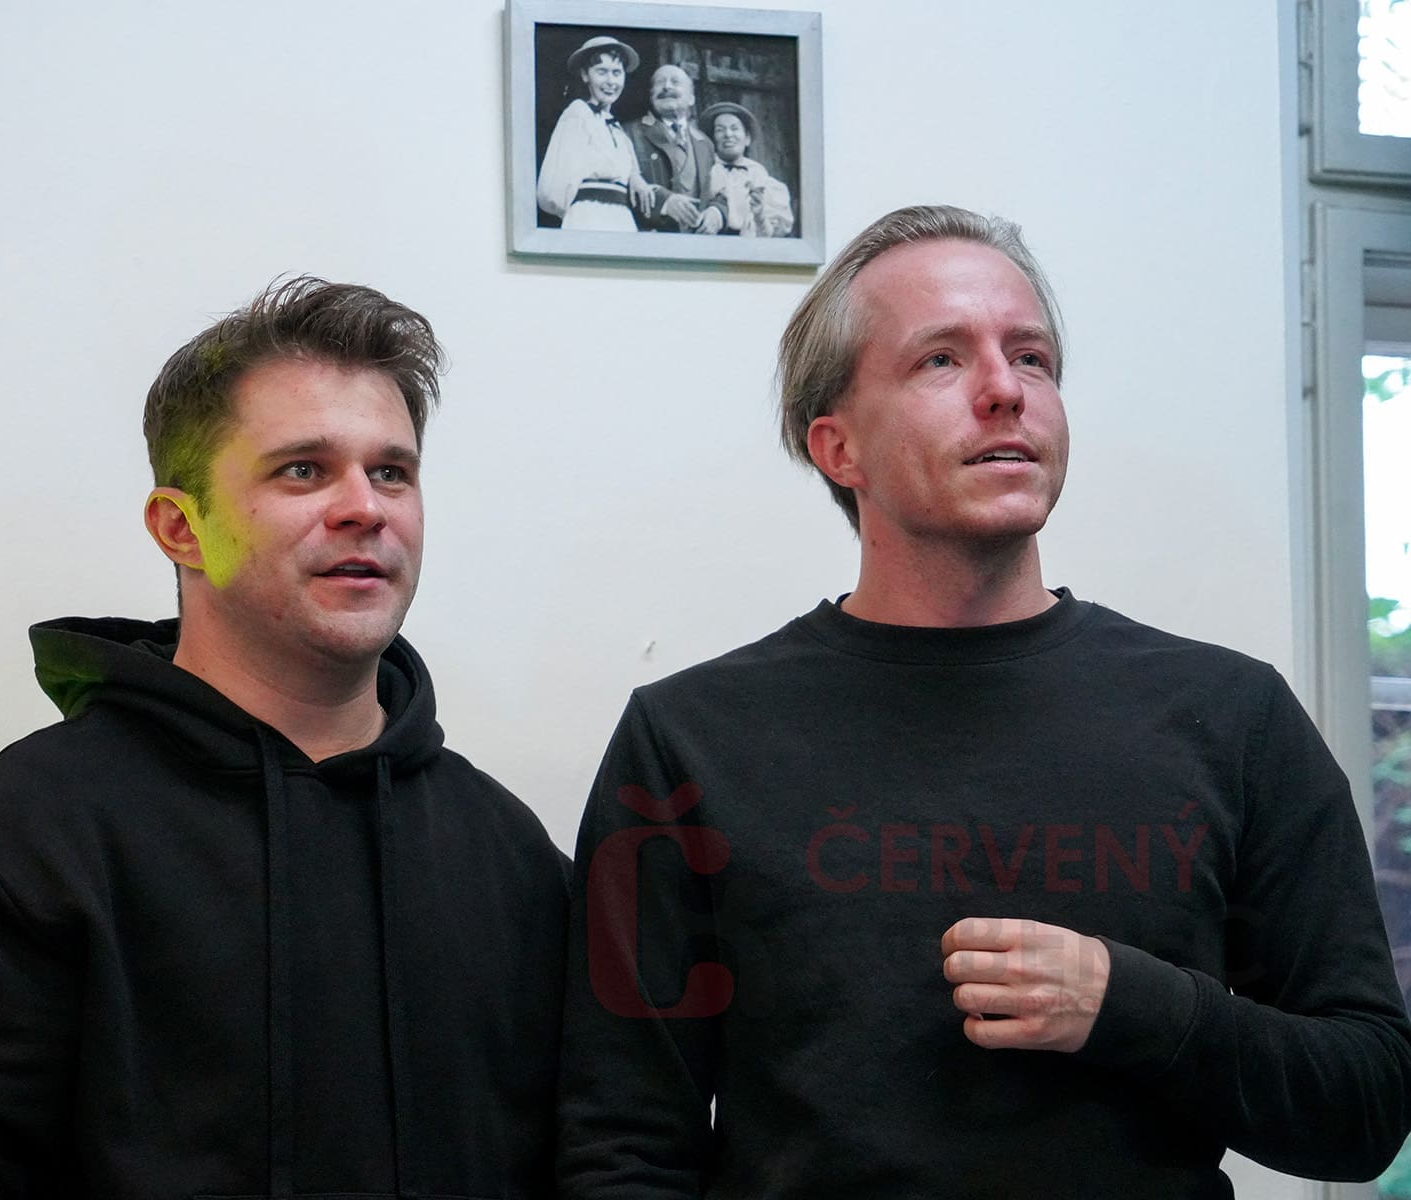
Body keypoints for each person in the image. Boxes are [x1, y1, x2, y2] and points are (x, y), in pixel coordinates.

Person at [557, 205, 1411, 1196]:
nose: (1007, 390)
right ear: (838, 448)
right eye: (941, 360)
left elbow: (1366, 1104)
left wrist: (1130, 1004)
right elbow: (622, 1148)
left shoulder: (1234, 717)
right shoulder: (690, 741)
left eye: (1032, 358)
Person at [0, 277, 568, 1199]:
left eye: (391, 472)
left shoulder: (512, 856)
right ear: (180, 527)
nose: (365, 508)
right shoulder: (19, 838)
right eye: (303, 470)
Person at [536, 35, 646, 231]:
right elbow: (555, 186)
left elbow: (626, 168)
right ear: (585, 75)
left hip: (621, 218)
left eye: (617, 73)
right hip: (588, 216)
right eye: (601, 72)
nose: (610, 81)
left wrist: (634, 177)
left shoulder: (615, 127)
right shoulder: (578, 114)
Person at [627, 64, 721, 234]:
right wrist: (663, 203)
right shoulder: (630, 133)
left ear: (691, 98)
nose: (667, 86)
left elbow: (719, 191)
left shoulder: (705, 143)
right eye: (660, 82)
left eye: (675, 82)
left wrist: (717, 213)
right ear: (651, 96)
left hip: (696, 242)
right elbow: (620, 184)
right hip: (649, 240)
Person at [695, 101, 793, 238]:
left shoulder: (759, 176)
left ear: (747, 139)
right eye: (720, 130)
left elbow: (771, 234)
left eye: (734, 128)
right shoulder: (704, 170)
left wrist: (759, 215)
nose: (728, 134)